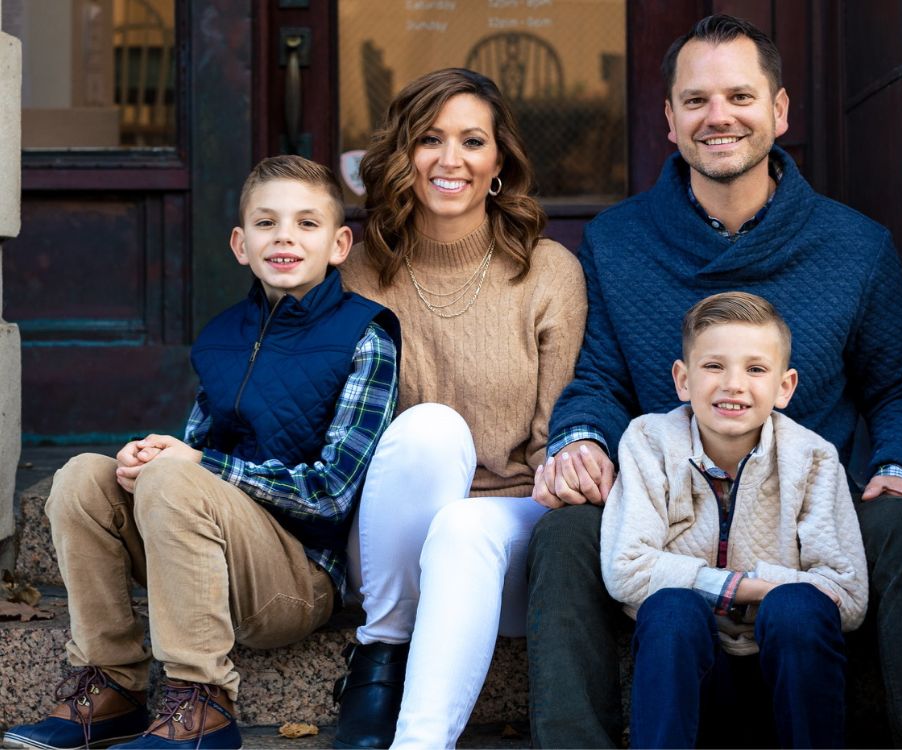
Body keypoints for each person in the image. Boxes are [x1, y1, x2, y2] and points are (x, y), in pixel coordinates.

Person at [528, 13, 902, 749]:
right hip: (670, 514)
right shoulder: (617, 241)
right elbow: (599, 380)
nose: (719, 117)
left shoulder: (854, 245)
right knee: (565, 532)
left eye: (740, 97)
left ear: (779, 110)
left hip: (810, 512)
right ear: (670, 119)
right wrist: (580, 440)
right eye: (697, 100)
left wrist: (898, 466)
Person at [3, 155, 400, 750]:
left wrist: (192, 466)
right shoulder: (221, 336)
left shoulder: (366, 333)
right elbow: (195, 455)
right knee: (84, 477)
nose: (284, 236)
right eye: (266, 223)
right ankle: (111, 686)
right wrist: (148, 461)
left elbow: (330, 494)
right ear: (241, 244)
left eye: (306, 223)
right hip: (205, 559)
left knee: (175, 478)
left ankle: (202, 703)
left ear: (340, 244)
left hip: (298, 581)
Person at [332, 68, 586, 749]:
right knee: (430, 431)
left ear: (499, 163)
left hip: (503, 540)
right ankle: (383, 647)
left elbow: (556, 442)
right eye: (429, 139)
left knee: (462, 527)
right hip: (390, 549)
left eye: (472, 141)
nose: (451, 160)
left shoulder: (548, 271)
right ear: (403, 155)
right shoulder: (358, 273)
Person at [601, 291, 867, 748]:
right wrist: (750, 589)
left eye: (756, 369)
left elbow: (847, 595)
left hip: (783, 676)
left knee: (798, 608)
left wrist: (761, 592)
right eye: (713, 366)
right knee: (671, 609)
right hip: (692, 680)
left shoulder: (813, 458)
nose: (733, 384)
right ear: (683, 380)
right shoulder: (649, 442)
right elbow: (626, 569)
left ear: (785, 387)